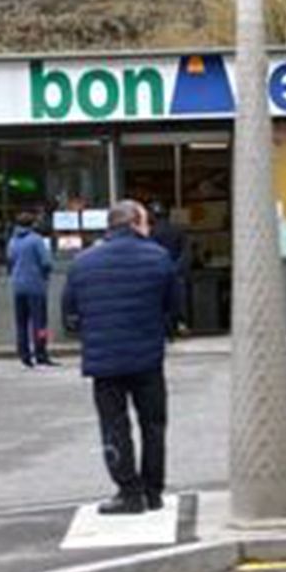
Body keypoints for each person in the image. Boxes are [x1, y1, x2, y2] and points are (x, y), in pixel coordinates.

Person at [61, 199, 180, 516]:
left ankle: (128, 492)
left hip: (104, 360)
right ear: (136, 223)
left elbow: (69, 315)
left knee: (114, 426)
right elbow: (174, 306)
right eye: (146, 222)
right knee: (153, 425)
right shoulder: (158, 258)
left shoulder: (83, 262)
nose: (149, 227)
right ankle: (153, 491)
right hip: (147, 357)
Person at [7, 213, 57, 368]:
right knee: (40, 323)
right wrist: (45, 275)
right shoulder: (36, 240)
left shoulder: (13, 240)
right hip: (36, 286)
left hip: (18, 286)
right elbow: (46, 262)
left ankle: (24, 354)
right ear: (32, 224)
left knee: (21, 322)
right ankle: (41, 352)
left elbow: (10, 260)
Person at [148, 202, 192, 336]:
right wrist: (177, 267)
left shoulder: (150, 232)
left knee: (159, 300)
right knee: (179, 299)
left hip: (157, 270)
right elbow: (186, 251)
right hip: (175, 270)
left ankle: (165, 328)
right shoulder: (178, 230)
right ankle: (181, 323)